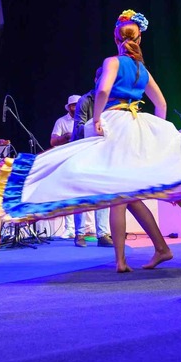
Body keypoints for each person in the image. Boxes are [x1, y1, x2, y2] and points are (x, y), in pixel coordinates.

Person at [0, 9, 181, 272]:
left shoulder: (112, 62)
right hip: (138, 125)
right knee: (127, 196)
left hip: (116, 124)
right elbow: (161, 104)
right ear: (138, 39)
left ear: (117, 38)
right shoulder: (141, 69)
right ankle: (158, 248)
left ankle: (123, 260)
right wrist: (158, 133)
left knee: (115, 192)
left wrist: (97, 119)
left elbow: (102, 91)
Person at [70, 67, 113, 248]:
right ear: (96, 80)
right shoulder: (85, 100)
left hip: (102, 152)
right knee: (82, 192)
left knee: (102, 191)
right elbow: (78, 128)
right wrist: (96, 128)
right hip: (82, 150)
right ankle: (79, 234)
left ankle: (102, 234)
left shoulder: (112, 100)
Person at [49, 94, 81, 239]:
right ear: (69, 107)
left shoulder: (87, 119)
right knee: (69, 194)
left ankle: (88, 227)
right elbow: (53, 141)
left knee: (85, 193)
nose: (77, 107)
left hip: (84, 159)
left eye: (79, 105)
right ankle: (70, 228)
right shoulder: (61, 121)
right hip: (67, 161)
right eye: (74, 105)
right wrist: (65, 137)